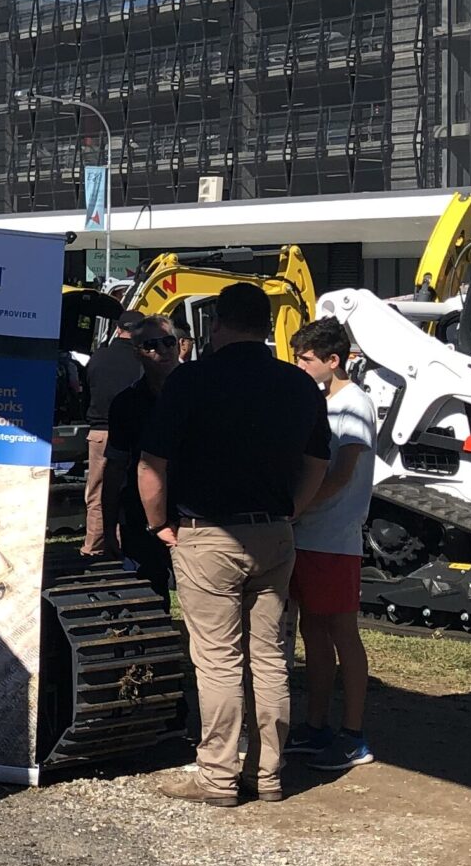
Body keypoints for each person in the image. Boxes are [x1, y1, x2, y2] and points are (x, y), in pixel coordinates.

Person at [136, 282, 331, 810]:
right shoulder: (299, 385)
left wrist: (157, 525)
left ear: (218, 324)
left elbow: (152, 466)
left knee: (218, 660)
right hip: (274, 533)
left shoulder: (190, 380)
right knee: (269, 658)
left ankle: (218, 776)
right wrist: (292, 510)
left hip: (207, 534)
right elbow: (318, 462)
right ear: (267, 326)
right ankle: (268, 774)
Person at [284, 317, 378, 771]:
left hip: (334, 538)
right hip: (308, 535)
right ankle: (316, 724)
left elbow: (340, 475)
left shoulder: (354, 404)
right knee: (313, 632)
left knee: (342, 633)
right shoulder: (323, 401)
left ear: (333, 359)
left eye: (305, 359)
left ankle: (354, 734)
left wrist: (296, 507)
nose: (299, 366)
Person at [102, 320, 184, 595]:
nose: (163, 349)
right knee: (148, 591)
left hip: (195, 510)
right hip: (140, 513)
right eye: (151, 345)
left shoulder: (204, 392)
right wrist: (108, 526)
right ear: (137, 352)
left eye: (168, 342)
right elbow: (114, 467)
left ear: (179, 345)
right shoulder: (126, 403)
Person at [80, 315, 145, 560]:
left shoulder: (98, 358)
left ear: (118, 330)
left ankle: (94, 545)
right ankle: (125, 542)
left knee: (98, 490)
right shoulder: (142, 359)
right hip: (134, 432)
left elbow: (86, 392)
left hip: (100, 431)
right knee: (133, 488)